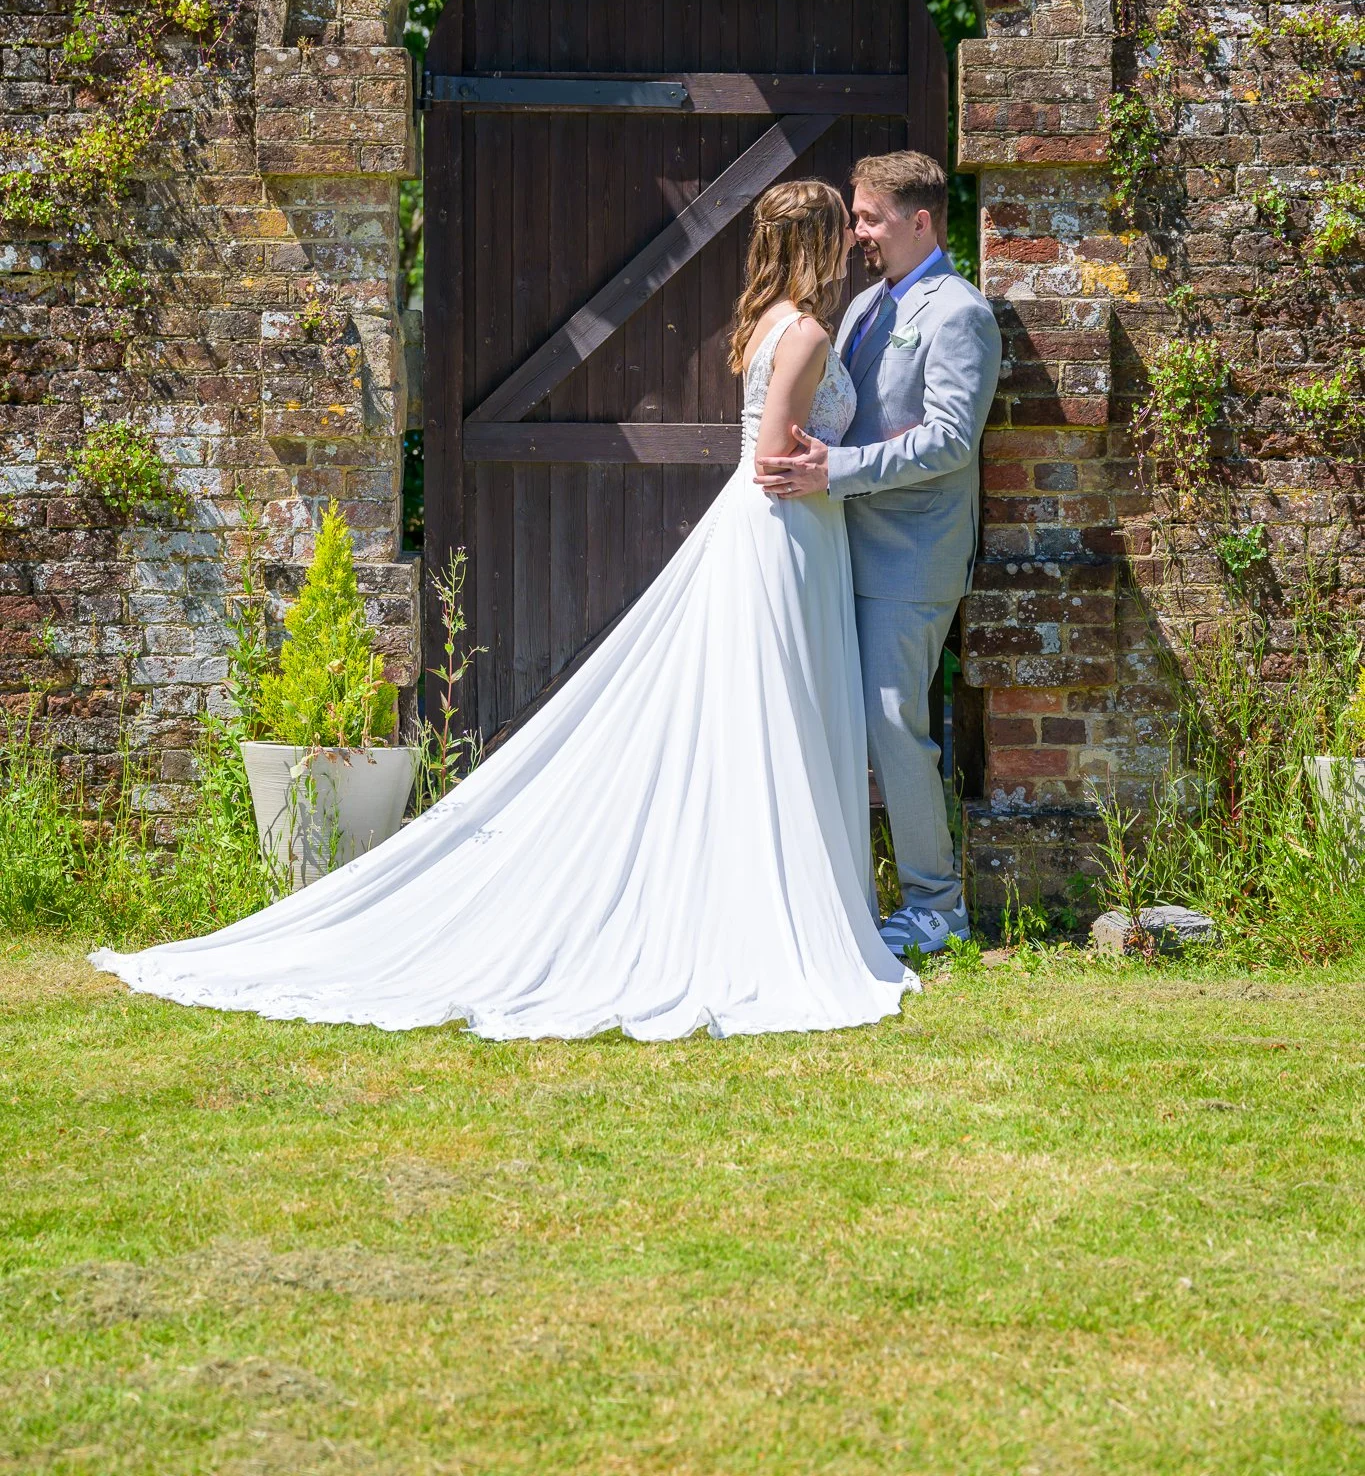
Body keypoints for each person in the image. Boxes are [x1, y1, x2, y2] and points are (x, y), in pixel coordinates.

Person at [91, 181, 916, 1040]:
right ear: (820, 241)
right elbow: (779, 456)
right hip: (784, 530)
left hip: (781, 532)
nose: (857, 240)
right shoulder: (810, 331)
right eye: (844, 228)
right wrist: (859, 458)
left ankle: (765, 891)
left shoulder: (767, 322)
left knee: (758, 714)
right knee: (776, 713)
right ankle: (772, 913)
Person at [756, 152, 1002, 958]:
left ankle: (936, 905)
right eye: (856, 216)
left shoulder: (957, 312)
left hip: (910, 553)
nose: (856, 231)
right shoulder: (864, 305)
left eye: (868, 216)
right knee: (834, 719)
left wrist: (836, 471)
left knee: (895, 726)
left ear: (919, 220)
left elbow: (948, 439)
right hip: (836, 548)